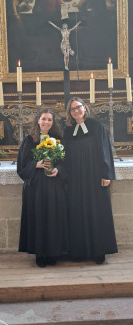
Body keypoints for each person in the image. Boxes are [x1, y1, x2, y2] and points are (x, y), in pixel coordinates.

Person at [64, 97, 118, 264]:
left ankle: (99, 251)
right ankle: (78, 252)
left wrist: (106, 174)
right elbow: (65, 156)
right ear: (70, 113)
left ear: (85, 108)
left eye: (78, 107)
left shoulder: (97, 126)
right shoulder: (68, 131)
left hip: (95, 178)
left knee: (96, 212)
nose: (76, 111)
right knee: (77, 212)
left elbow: (104, 150)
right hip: (75, 179)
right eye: (73, 109)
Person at [17, 108, 69, 267]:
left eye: (49, 119)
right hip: (36, 187)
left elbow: (66, 162)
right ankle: (40, 254)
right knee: (37, 218)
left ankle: (53, 253)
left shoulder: (59, 139)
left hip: (54, 185)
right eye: (44, 119)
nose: (46, 122)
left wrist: (58, 170)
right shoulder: (28, 140)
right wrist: (36, 165)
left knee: (54, 218)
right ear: (38, 121)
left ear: (53, 123)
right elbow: (21, 166)